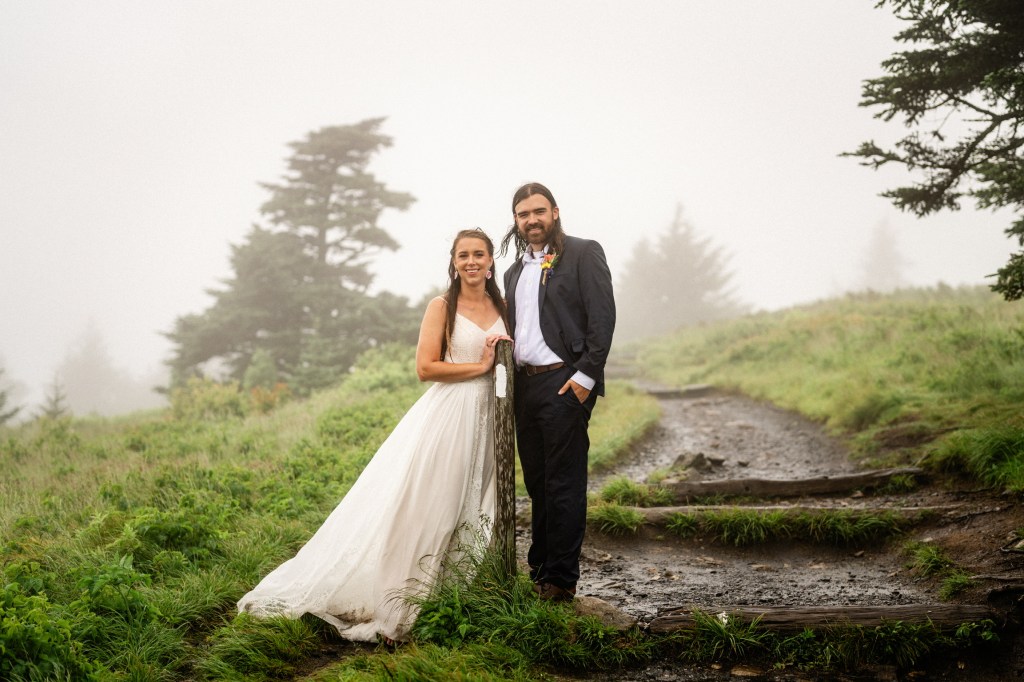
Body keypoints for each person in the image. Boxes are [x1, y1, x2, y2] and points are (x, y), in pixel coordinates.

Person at [237, 228, 510, 643]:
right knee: (430, 506)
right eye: (463, 255)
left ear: (491, 260)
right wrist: (481, 366)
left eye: (479, 254)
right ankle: (398, 602)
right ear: (453, 262)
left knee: (473, 505)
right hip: (451, 414)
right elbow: (425, 368)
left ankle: (451, 595)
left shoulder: (502, 304)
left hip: (490, 416)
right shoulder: (442, 306)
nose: (471, 262)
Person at [500, 182, 615, 602]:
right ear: (515, 220)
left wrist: (585, 378)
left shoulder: (583, 253)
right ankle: (539, 568)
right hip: (524, 388)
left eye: (538, 211)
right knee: (538, 484)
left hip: (565, 382)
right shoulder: (512, 272)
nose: (532, 220)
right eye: (523, 214)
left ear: (554, 211)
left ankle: (561, 581)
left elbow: (602, 319)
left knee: (564, 483)